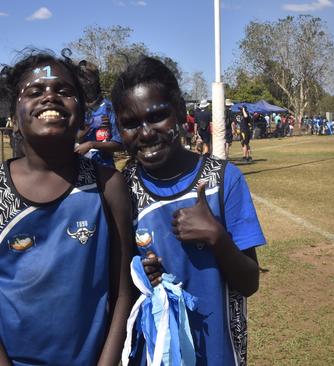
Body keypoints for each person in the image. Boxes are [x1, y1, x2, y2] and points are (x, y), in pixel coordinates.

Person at [0, 51, 133, 365]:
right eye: (34, 92)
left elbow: (123, 293)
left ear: (82, 117)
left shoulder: (108, 186)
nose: (50, 97)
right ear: (13, 117)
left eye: (64, 92)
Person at [111, 57, 266, 366]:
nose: (145, 133)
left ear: (180, 112)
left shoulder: (223, 180)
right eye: (130, 123)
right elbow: (117, 288)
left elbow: (249, 282)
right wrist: (141, 273)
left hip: (219, 353)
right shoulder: (121, 190)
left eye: (157, 116)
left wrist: (216, 235)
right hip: (154, 355)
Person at [75, 60, 123, 167]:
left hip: (105, 167)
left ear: (96, 79)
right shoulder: (74, 107)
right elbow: (74, 138)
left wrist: (92, 144)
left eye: (88, 77)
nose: (85, 82)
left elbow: (119, 144)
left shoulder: (109, 107)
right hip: (80, 168)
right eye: (81, 77)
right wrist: (91, 124)